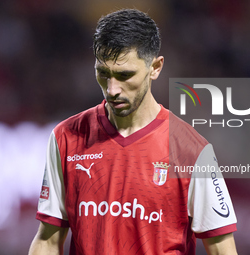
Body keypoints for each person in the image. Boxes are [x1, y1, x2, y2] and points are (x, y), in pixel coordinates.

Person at [29, 9, 238, 255]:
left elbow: (222, 248)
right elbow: (47, 241)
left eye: (124, 75)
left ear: (155, 68)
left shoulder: (191, 150)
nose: (112, 89)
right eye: (103, 73)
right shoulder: (66, 138)